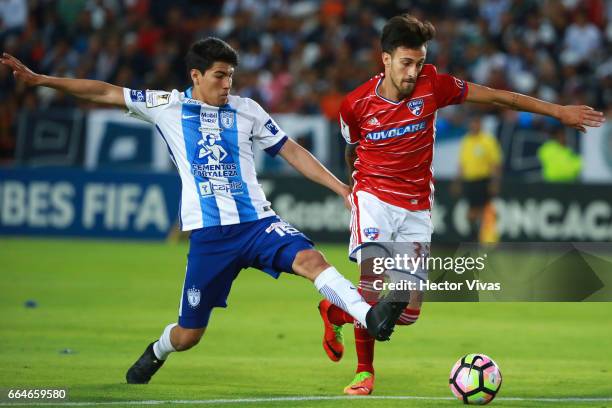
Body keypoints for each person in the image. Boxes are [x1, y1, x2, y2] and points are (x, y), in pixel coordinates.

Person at [0, 37, 408, 385]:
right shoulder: (167, 105)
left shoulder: (248, 110)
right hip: (211, 238)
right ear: (196, 76)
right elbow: (104, 91)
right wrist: (42, 81)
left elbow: (292, 151)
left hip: (257, 223)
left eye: (231, 75)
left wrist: (339, 186)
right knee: (188, 335)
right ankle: (159, 348)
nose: (227, 84)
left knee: (311, 259)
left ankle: (369, 316)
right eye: (219, 75)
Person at [318, 14, 605, 395]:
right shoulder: (355, 105)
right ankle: (364, 372)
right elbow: (350, 149)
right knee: (371, 286)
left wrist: (558, 111)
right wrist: (354, 191)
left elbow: (500, 96)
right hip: (373, 198)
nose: (412, 71)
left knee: (407, 312)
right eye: (406, 62)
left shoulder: (433, 84)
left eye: (419, 62)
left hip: (417, 206)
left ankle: (335, 310)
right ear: (384, 59)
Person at [455, 114, 502, 242]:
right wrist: (458, 182)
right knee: (472, 212)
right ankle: (475, 236)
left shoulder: (488, 140)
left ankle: (483, 237)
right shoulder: (466, 140)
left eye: (476, 123)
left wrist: (494, 182)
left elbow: (495, 163)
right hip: (469, 180)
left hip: (483, 180)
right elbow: (462, 164)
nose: (474, 125)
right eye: (472, 123)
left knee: (483, 210)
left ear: (480, 124)